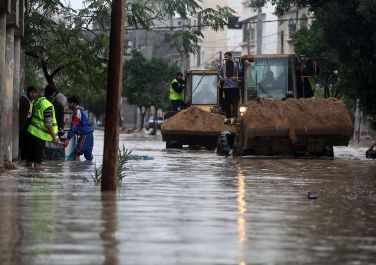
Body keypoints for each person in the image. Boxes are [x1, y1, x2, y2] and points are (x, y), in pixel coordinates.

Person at [26, 84, 59, 167]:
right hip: (39, 136)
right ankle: (38, 179)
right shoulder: (48, 105)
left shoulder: (39, 101)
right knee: (38, 162)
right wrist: (54, 136)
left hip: (31, 132)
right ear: (54, 94)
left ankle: (27, 178)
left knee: (30, 159)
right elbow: (48, 123)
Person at [63, 96, 94, 161]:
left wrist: (68, 138)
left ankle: (77, 170)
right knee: (88, 156)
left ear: (74, 103)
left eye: (69, 103)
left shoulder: (77, 112)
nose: (68, 105)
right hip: (89, 134)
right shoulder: (82, 110)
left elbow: (74, 126)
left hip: (85, 135)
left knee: (76, 153)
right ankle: (91, 170)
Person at [219, 51, 240, 124]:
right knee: (227, 102)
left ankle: (234, 117)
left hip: (234, 86)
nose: (225, 58)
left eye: (227, 57)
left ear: (230, 57)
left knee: (234, 102)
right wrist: (222, 79)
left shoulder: (236, 65)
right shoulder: (223, 66)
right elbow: (219, 74)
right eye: (225, 57)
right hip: (226, 87)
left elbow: (240, 72)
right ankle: (227, 117)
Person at [19, 86, 38, 160]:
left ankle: (25, 164)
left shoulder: (33, 102)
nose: (33, 94)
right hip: (23, 126)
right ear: (28, 92)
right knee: (24, 145)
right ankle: (23, 161)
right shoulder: (23, 100)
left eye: (34, 92)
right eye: (31, 92)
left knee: (28, 146)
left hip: (29, 127)